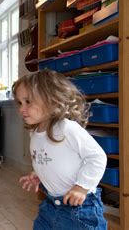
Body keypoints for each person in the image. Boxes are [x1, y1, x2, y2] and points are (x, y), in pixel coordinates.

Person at [12, 69, 107, 229]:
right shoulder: (34, 132)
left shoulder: (67, 128)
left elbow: (97, 157)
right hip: (51, 205)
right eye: (20, 103)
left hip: (81, 207)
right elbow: (53, 160)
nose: (22, 108)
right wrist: (40, 175)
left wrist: (81, 187)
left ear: (52, 100)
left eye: (28, 101)